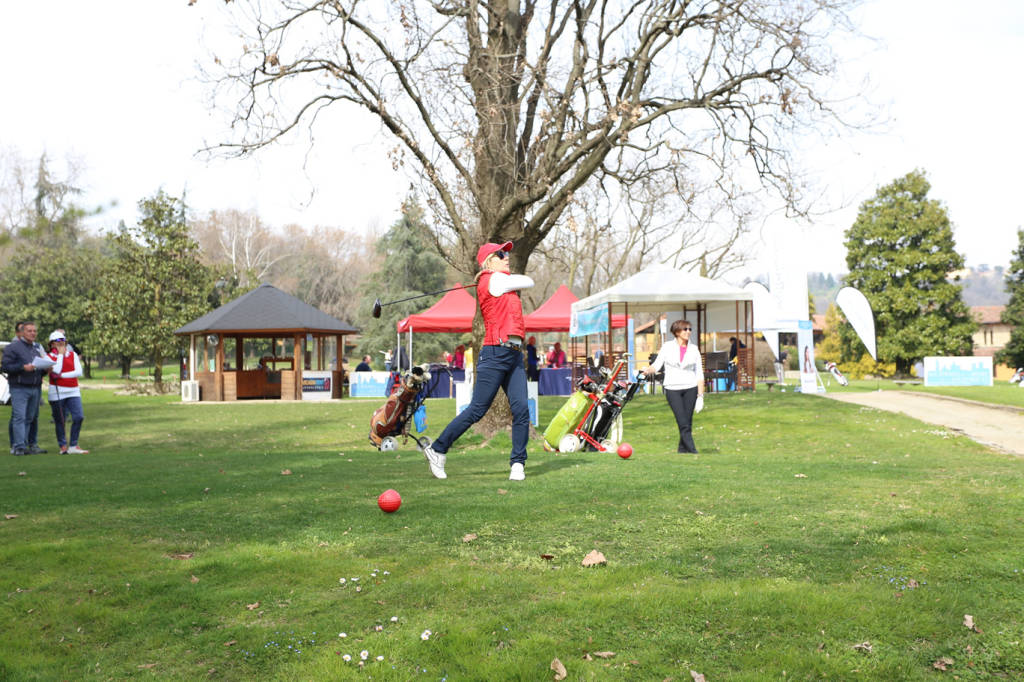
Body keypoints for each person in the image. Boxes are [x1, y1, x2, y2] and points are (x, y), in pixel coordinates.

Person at [420, 241, 534, 481]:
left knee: (522, 410)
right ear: (489, 261)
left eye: (507, 253)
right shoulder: (491, 280)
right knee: (477, 410)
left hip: (513, 354)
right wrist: (492, 275)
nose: (507, 257)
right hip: (494, 353)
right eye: (501, 254)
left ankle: (517, 464)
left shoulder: (502, 283)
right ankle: (438, 449)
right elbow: (529, 281)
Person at [641, 319, 705, 453]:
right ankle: (693, 450)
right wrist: (647, 370)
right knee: (682, 422)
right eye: (685, 329)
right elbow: (657, 365)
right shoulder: (667, 347)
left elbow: (699, 373)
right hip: (672, 388)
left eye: (689, 329)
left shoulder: (694, 349)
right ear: (677, 332)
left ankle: (682, 450)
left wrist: (700, 396)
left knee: (687, 421)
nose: (688, 332)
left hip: (690, 387)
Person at [1, 321, 48, 456]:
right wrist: (22, 367)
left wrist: (46, 369)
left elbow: (38, 369)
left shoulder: (36, 348)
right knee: (19, 417)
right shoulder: (12, 347)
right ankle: (18, 447)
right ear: (21, 333)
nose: (33, 333)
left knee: (31, 417)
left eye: (34, 331)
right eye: (29, 331)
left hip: (35, 387)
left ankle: (27, 444)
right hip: (19, 387)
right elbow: (5, 367)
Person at [46, 330, 88, 454]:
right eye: (57, 341)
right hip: (56, 392)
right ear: (52, 344)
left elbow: (78, 372)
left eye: (63, 341)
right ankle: (63, 446)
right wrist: (60, 355)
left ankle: (73, 445)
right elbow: (56, 368)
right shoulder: (49, 357)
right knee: (60, 420)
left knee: (79, 417)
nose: (61, 343)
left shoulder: (73, 354)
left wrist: (61, 376)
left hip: (73, 390)